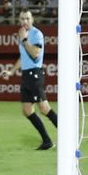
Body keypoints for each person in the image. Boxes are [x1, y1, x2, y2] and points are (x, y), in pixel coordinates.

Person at [16, 10, 57, 149]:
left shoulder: (36, 34)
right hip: (26, 75)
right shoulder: (22, 34)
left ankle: (68, 136)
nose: (25, 21)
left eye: (27, 18)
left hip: (35, 74)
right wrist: (11, 71)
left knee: (44, 108)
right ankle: (47, 141)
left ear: (32, 19)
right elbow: (23, 57)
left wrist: (25, 40)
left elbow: (34, 54)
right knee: (27, 110)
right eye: (22, 19)